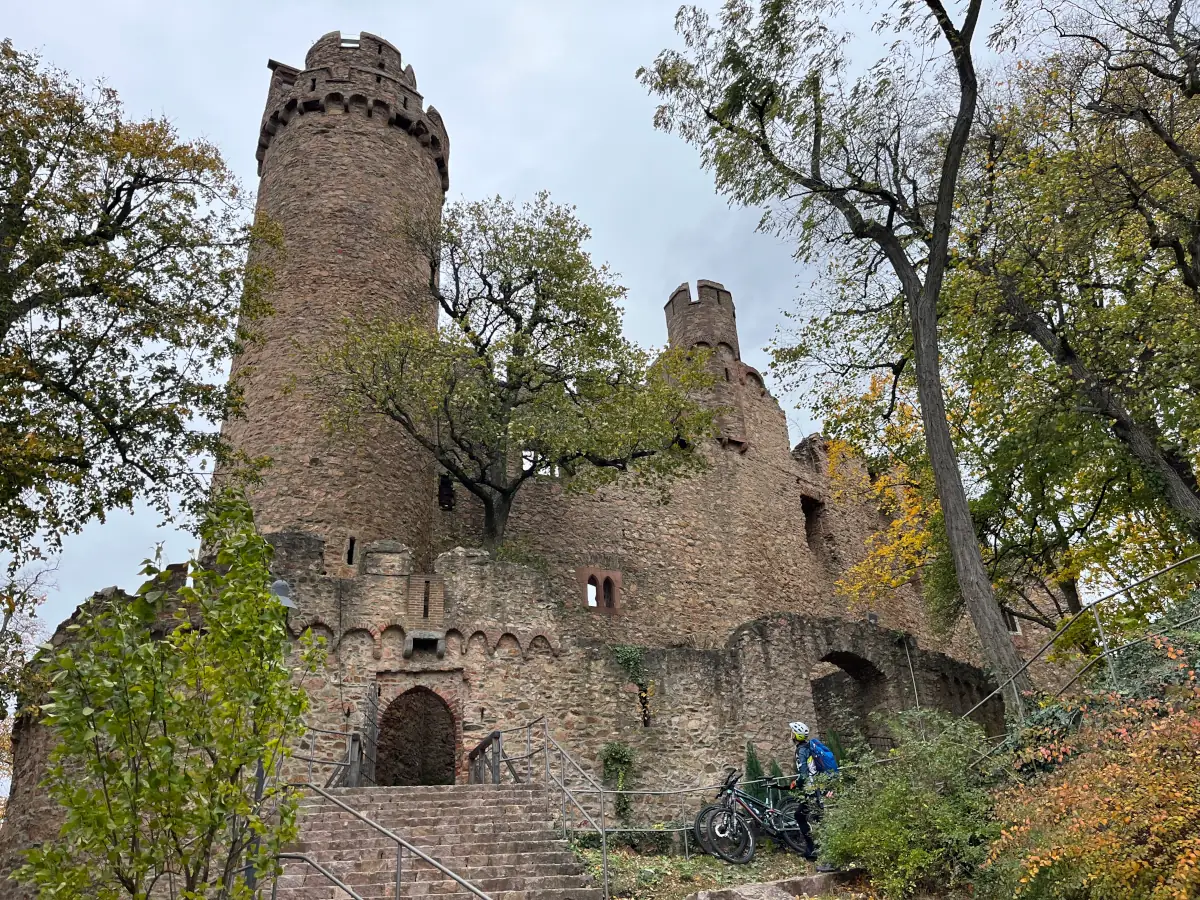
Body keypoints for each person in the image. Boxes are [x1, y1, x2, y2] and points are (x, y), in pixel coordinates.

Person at [788, 721, 838, 872]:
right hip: (818, 788)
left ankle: (829, 859)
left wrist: (796, 782)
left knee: (818, 822)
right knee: (802, 816)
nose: (790, 735)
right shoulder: (810, 746)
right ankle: (811, 851)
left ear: (795, 736)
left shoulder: (801, 751)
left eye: (791, 732)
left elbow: (804, 774)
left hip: (812, 791)